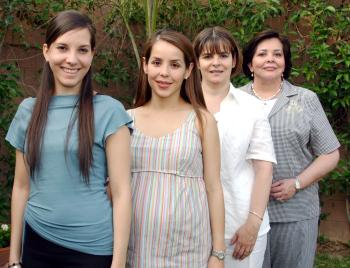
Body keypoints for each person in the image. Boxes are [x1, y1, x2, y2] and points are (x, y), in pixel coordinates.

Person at [5, 10, 132, 268]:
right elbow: (21, 187)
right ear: (46, 51)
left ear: (92, 55)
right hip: (37, 246)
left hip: (93, 250)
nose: (72, 59)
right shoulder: (27, 112)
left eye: (82, 50)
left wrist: (118, 263)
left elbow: (121, 193)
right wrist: (14, 258)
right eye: (62, 47)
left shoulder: (110, 111)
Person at [239, 30, 340, 268]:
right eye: (262, 54)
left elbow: (330, 153)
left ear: (285, 63)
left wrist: (296, 183)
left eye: (277, 54)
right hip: (246, 213)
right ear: (250, 64)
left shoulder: (305, 100)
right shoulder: (235, 100)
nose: (270, 59)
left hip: (295, 212)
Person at [126, 29, 225, 268]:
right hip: (135, 246)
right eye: (157, 62)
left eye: (174, 65)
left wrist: (218, 253)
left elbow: (213, 187)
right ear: (145, 65)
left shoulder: (202, 120)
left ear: (188, 70)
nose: (164, 73)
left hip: (187, 248)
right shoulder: (125, 120)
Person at [193, 26, 276, 268]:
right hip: (191, 224)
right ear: (196, 63)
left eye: (223, 56)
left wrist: (253, 223)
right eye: (207, 56)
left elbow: (264, 168)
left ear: (234, 61)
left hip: (240, 224)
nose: (215, 63)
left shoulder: (252, 107)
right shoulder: (183, 106)